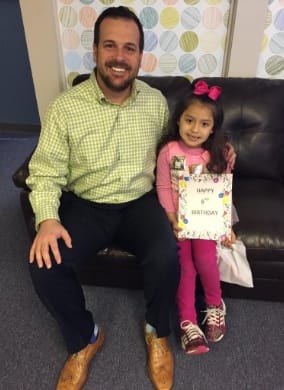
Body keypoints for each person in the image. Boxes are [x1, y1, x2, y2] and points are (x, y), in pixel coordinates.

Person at [26, 6, 236, 390]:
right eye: (110, 46)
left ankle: (157, 330)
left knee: (167, 253)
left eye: (129, 48)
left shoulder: (155, 102)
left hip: (141, 204)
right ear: (95, 51)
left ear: (140, 55)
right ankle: (84, 338)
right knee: (44, 265)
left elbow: (180, 148)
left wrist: (220, 156)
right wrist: (47, 219)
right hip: (87, 205)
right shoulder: (65, 107)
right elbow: (44, 172)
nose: (119, 57)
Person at [156, 80, 235, 356]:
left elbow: (223, 192)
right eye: (189, 120)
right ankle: (187, 321)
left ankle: (215, 305)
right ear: (179, 120)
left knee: (204, 259)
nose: (195, 129)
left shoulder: (217, 154)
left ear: (213, 128)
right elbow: (164, 187)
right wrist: (171, 216)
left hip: (205, 223)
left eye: (204, 124)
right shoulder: (168, 152)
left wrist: (225, 226)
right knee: (184, 267)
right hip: (179, 221)